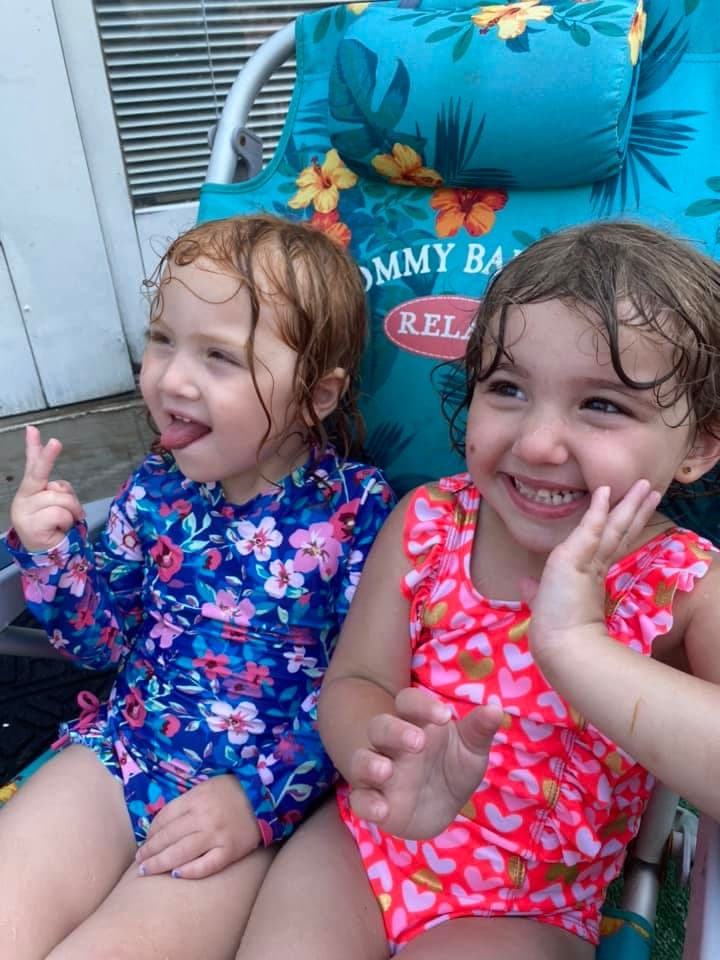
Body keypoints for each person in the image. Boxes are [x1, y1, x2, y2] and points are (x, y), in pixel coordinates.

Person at [237, 220, 720, 960]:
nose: (535, 442)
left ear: (699, 446)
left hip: (527, 904)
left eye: (603, 404)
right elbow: (358, 679)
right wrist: (383, 759)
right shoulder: (429, 522)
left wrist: (578, 648)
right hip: (368, 846)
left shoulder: (686, 585)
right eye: (507, 388)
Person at [0, 213, 395, 960]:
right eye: (162, 340)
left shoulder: (357, 514)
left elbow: (367, 686)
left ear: (316, 395)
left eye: (219, 356)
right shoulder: (158, 486)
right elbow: (101, 641)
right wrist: (55, 556)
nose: (171, 378)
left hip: (246, 802)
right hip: (123, 750)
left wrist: (260, 799)